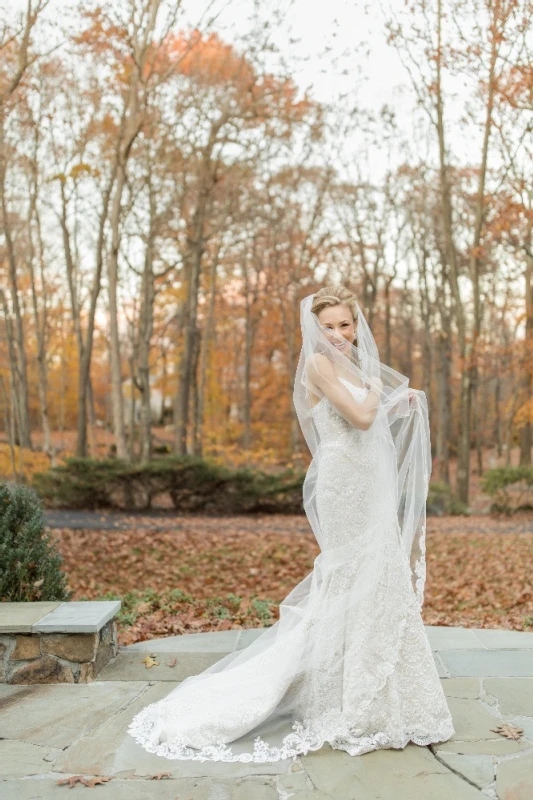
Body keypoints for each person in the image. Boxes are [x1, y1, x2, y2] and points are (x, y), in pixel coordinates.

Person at [127, 284, 454, 763]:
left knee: (377, 574)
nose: (340, 334)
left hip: (368, 484)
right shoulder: (320, 365)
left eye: (347, 325)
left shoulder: (352, 366)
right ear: (315, 329)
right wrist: (381, 392)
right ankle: (348, 699)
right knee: (353, 577)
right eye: (331, 326)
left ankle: (386, 698)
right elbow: (361, 418)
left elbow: (369, 413)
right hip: (344, 486)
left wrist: (395, 403)